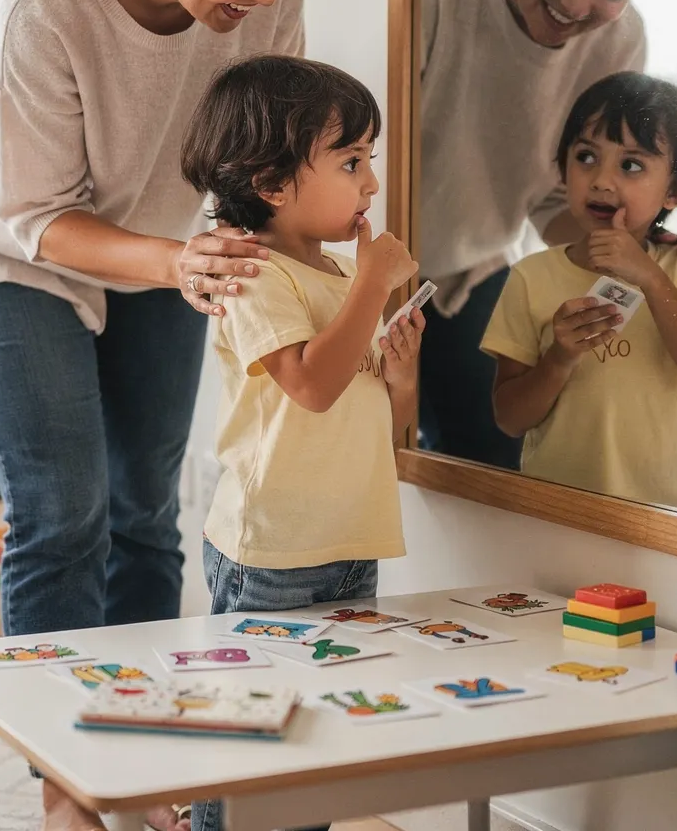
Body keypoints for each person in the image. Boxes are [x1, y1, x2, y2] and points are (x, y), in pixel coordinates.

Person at [0, 0, 307, 831]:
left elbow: (266, 146)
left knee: (142, 511)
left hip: (161, 245)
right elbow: (36, 216)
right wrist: (176, 258)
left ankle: (142, 764)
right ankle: (68, 790)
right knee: (64, 510)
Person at [179, 54, 421, 831]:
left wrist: (404, 368)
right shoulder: (253, 273)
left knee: (320, 727)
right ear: (273, 182)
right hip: (273, 548)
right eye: (352, 162)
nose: (371, 185)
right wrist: (374, 285)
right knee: (251, 723)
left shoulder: (337, 277)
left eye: (369, 161)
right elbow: (312, 388)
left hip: (347, 538)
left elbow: (380, 410)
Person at [415, 0, 677, 470]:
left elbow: (565, 196)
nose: (579, 7)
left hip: (471, 271)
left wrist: (646, 251)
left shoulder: (621, 38)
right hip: (373, 264)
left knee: (495, 475)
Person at [481, 72, 677, 511]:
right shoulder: (530, 278)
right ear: (562, 168)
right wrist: (559, 358)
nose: (600, 180)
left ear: (676, 191)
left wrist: (651, 277)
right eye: (585, 156)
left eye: (630, 165)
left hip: (665, 514)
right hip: (557, 515)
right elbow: (509, 419)